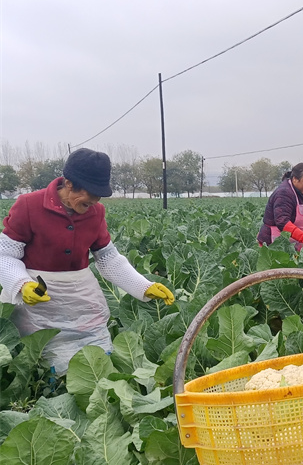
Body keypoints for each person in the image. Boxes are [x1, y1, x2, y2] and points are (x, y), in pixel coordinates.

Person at [0, 148, 175, 374]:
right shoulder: (28, 205)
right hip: (39, 302)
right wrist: (22, 284)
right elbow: (5, 255)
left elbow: (108, 257)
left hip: (80, 296)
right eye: (90, 194)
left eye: (99, 195)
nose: (94, 201)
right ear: (69, 183)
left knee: (99, 356)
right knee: (48, 364)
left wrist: (144, 286)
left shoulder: (96, 212)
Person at [257, 163, 303, 250]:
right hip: (273, 243)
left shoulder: (300, 192)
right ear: (295, 179)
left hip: (289, 241)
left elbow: (299, 221)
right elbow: (282, 222)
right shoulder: (284, 193)